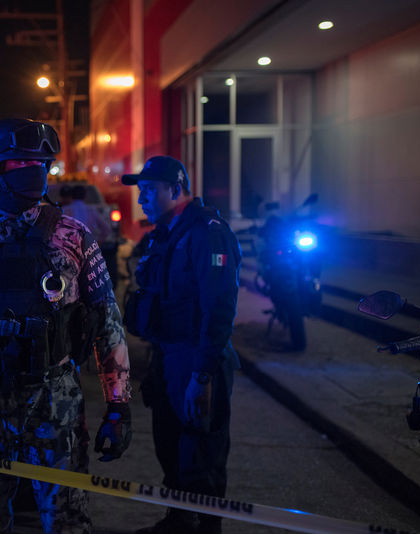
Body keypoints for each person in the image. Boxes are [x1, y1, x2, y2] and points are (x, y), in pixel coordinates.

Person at [0, 118, 132, 534]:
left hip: (55, 404)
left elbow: (107, 323)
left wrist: (119, 405)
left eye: (42, 163)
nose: (36, 171)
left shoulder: (74, 235)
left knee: (67, 522)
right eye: (21, 162)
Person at [121, 156, 241, 534]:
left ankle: (206, 528)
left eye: (151, 190)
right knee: (169, 448)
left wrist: (202, 374)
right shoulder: (165, 232)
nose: (143, 198)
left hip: (196, 356)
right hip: (167, 353)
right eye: (141, 191)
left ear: (176, 189)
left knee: (200, 456)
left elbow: (219, 306)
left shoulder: (207, 232)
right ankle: (177, 520)